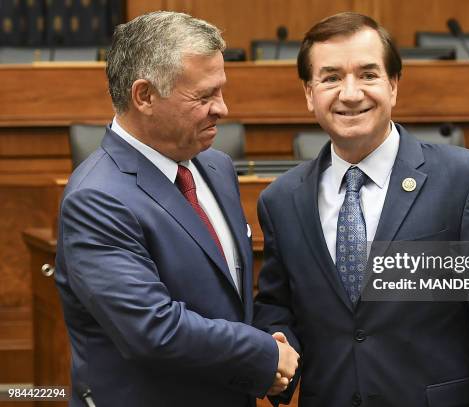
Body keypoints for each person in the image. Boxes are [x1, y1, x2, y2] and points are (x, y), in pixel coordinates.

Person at [254, 12, 469, 407]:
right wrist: (276, 350)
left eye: (368, 74)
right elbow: (278, 306)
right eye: (331, 77)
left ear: (393, 85)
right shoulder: (281, 200)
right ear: (308, 93)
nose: (350, 93)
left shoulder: (465, 181)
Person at [55, 11, 298, 407]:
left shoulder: (216, 167)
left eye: (220, 91)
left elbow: (228, 293)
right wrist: (264, 355)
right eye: (204, 96)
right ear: (145, 96)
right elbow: (153, 329)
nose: (223, 108)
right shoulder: (96, 198)